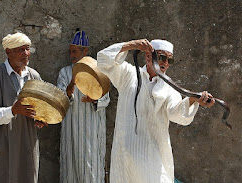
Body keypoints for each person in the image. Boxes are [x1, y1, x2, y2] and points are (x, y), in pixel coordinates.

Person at [97, 39, 215, 183]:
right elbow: (103, 59)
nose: (165, 63)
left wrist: (194, 100)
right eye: (162, 57)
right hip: (126, 152)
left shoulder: (169, 88)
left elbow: (176, 114)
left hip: (153, 153)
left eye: (169, 60)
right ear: (148, 56)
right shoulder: (129, 74)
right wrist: (132, 45)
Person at [0, 32, 47, 183]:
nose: (26, 53)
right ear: (8, 52)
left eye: (27, 49)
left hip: (28, 143)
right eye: (21, 49)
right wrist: (13, 110)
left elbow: (41, 108)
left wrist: (41, 118)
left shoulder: (33, 76)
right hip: (5, 145)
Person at [57, 29, 110, 183]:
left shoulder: (98, 71)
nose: (72, 55)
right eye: (70, 52)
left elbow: (106, 99)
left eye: (75, 51)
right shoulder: (65, 73)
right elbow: (60, 100)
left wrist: (94, 100)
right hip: (71, 131)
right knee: (70, 170)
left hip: (92, 131)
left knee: (91, 171)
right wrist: (70, 87)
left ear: (85, 51)